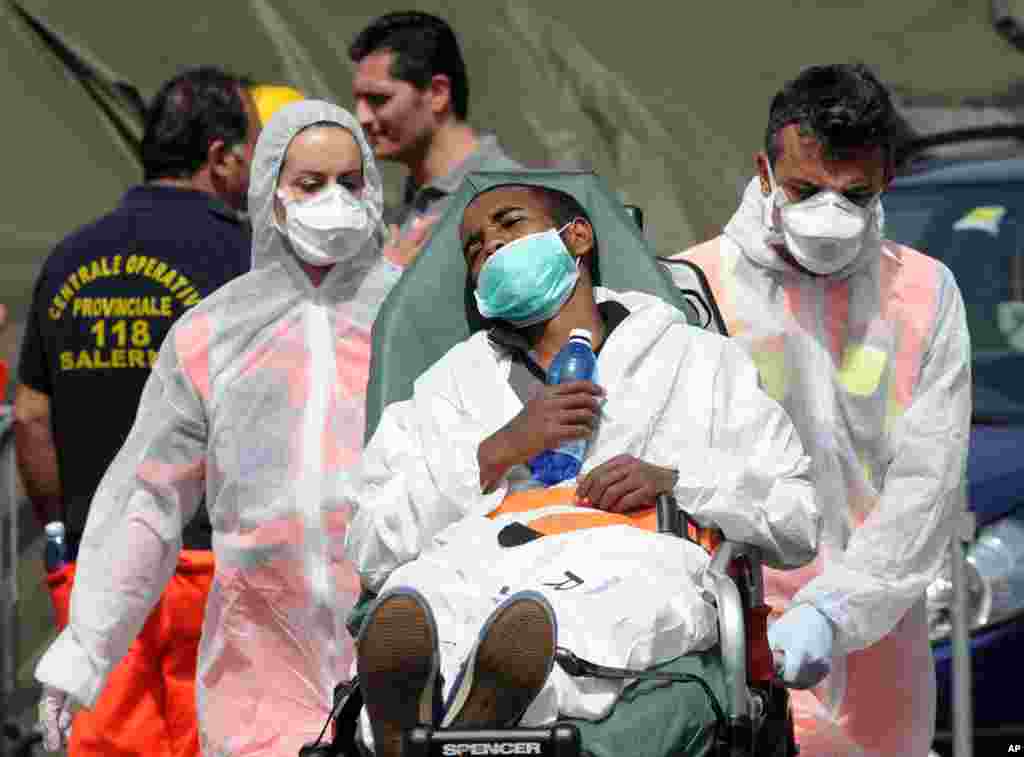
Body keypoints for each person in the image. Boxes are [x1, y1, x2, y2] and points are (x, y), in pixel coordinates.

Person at [339, 180, 821, 757]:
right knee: (426, 603)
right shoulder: (449, 385)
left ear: (578, 238)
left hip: (630, 556)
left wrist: (675, 479)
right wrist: (494, 452)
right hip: (481, 562)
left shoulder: (699, 362)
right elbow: (370, 542)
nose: (489, 247)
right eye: (474, 248)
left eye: (509, 226)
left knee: (599, 610)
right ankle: (440, 701)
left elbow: (795, 519)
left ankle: (479, 707)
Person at [33, 100, 417, 757]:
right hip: (255, 664)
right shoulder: (214, 332)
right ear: (272, 197)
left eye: (350, 182)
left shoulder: (411, 315)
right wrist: (83, 651)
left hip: (396, 646)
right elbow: (147, 501)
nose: (334, 199)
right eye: (309, 184)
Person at [667, 63, 971, 756]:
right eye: (805, 189)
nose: (830, 216)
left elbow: (925, 490)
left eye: (853, 194)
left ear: (886, 184)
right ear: (764, 171)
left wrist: (835, 612)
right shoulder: (696, 289)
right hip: (731, 647)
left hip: (876, 652)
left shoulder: (923, 294)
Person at [15, 65, 259, 757]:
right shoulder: (243, 259)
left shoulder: (69, 258)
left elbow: (30, 414)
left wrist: (61, 535)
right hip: (212, 566)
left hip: (99, 569)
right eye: (251, 150)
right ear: (219, 156)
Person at [349, 11, 521, 249]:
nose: (362, 117)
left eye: (378, 98)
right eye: (358, 100)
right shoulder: (408, 208)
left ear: (438, 93)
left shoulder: (511, 203)